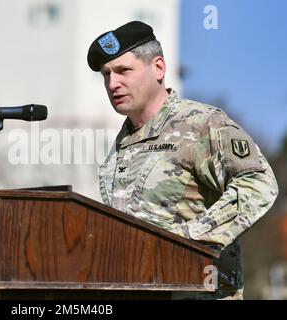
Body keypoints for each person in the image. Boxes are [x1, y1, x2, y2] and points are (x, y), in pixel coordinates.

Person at [87, 21, 278, 299]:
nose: (112, 83)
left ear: (159, 68)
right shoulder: (121, 146)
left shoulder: (201, 124)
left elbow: (260, 182)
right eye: (106, 74)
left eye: (123, 70)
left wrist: (187, 240)